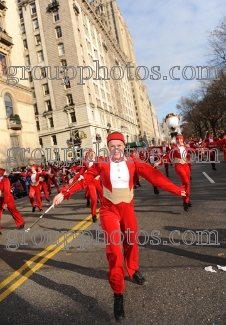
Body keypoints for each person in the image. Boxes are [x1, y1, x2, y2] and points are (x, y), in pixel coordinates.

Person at [53, 132, 186, 322]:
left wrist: (177, 190)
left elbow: (154, 176)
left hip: (128, 210)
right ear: (108, 147)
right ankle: (118, 294)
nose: (116, 148)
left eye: (119, 145)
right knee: (115, 251)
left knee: (131, 242)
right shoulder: (101, 164)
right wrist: (65, 193)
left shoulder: (133, 162)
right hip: (109, 211)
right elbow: (84, 179)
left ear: (124, 146)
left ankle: (132, 269)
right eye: (112, 145)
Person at [0, 168, 25, 234]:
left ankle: (21, 222)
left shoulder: (5, 180)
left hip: (8, 198)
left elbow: (6, 192)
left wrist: (5, 202)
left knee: (13, 210)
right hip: (0, 198)